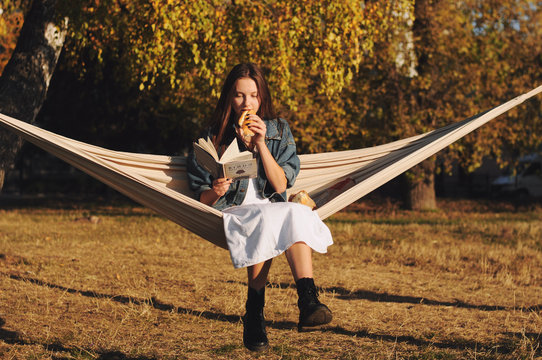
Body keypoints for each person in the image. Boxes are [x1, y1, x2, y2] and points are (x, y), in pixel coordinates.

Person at [187, 63, 333, 352]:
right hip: (234, 210)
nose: (247, 103)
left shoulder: (277, 130)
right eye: (240, 96)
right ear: (229, 97)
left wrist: (261, 144)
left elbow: (280, 187)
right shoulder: (212, 137)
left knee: (296, 211)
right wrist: (215, 192)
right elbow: (199, 197)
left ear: (261, 97)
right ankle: (255, 311)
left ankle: (307, 300)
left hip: (271, 204)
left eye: (253, 95)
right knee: (265, 217)